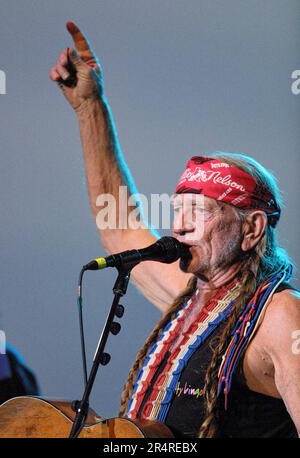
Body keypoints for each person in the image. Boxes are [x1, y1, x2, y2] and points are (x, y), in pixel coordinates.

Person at [49, 22, 300, 438]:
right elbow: (120, 229)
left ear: (252, 229)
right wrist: (89, 107)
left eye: (199, 211)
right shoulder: (195, 296)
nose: (179, 224)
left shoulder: (281, 318)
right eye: (177, 208)